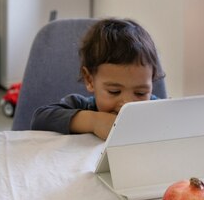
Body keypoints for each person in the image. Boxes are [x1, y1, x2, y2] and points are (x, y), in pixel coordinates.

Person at [31, 18, 164, 140]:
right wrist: (93, 121)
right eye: (114, 91)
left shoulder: (155, 109)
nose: (128, 103)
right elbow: (39, 119)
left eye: (140, 93)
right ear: (89, 80)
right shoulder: (83, 106)